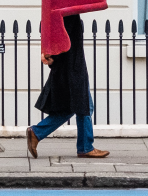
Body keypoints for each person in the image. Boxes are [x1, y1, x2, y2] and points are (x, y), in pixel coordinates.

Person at [26, 14, 109, 159]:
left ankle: (38, 133)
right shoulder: (69, 14)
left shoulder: (63, 12)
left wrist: (51, 57)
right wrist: (53, 57)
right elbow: (64, 40)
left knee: (80, 106)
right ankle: (84, 147)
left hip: (70, 67)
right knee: (82, 106)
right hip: (72, 68)